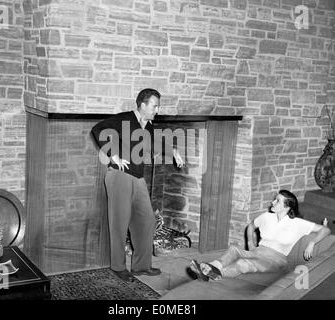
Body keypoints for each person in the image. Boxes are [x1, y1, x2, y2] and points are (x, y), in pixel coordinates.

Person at [91, 88, 184, 282]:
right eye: (154, 106)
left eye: (158, 106)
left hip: (138, 178)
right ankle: (118, 267)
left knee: (146, 221)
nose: (157, 110)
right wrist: (113, 155)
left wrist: (173, 151)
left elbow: (156, 143)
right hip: (119, 176)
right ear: (142, 104)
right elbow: (98, 129)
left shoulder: (148, 126)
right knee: (119, 223)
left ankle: (141, 266)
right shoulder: (124, 119)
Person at [187, 189, 331, 281]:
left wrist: (312, 243)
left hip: (276, 260)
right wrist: (250, 243)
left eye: (277, 201)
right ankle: (208, 268)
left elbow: (325, 230)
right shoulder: (267, 216)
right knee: (234, 249)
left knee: (243, 263)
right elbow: (251, 226)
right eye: (275, 199)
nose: (272, 202)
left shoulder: (297, 223)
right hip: (258, 251)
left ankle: (214, 273)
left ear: (287, 207)